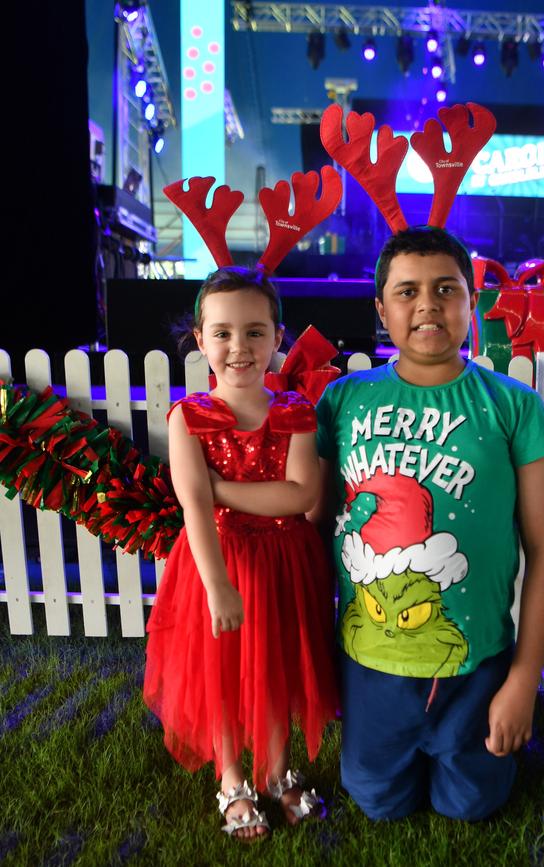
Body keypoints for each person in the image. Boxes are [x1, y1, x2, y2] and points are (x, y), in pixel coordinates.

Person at [313, 226, 544, 822]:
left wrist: (524, 680)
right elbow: (311, 517)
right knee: (377, 802)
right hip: (370, 659)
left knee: (472, 805)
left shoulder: (513, 405)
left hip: (475, 664)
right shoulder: (343, 400)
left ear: (469, 301)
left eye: (445, 288)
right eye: (406, 292)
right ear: (381, 310)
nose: (426, 304)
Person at [143, 267, 339, 840]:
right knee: (223, 671)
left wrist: (212, 486)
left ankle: (276, 772)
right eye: (223, 333)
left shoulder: (297, 411)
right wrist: (217, 585)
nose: (239, 347)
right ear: (200, 340)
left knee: (277, 664)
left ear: (278, 337)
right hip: (219, 562)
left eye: (255, 332)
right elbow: (193, 511)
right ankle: (232, 776)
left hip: (286, 559)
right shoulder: (190, 417)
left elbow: (302, 495)